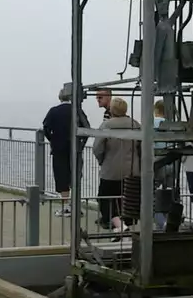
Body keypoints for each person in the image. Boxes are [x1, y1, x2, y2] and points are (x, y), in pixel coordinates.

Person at [40, 84, 90, 217]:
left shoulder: (53, 111)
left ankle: (66, 206)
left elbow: (45, 128)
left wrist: (53, 140)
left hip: (59, 149)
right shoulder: (77, 111)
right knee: (75, 176)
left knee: (61, 177)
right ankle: (75, 206)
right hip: (75, 149)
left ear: (60, 97)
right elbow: (87, 128)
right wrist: (81, 144)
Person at [92, 97, 141, 230]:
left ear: (112, 110)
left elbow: (97, 148)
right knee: (128, 201)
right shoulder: (135, 125)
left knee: (105, 199)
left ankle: (117, 226)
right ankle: (127, 227)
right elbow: (142, 148)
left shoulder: (106, 125)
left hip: (110, 170)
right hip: (132, 170)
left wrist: (102, 160)